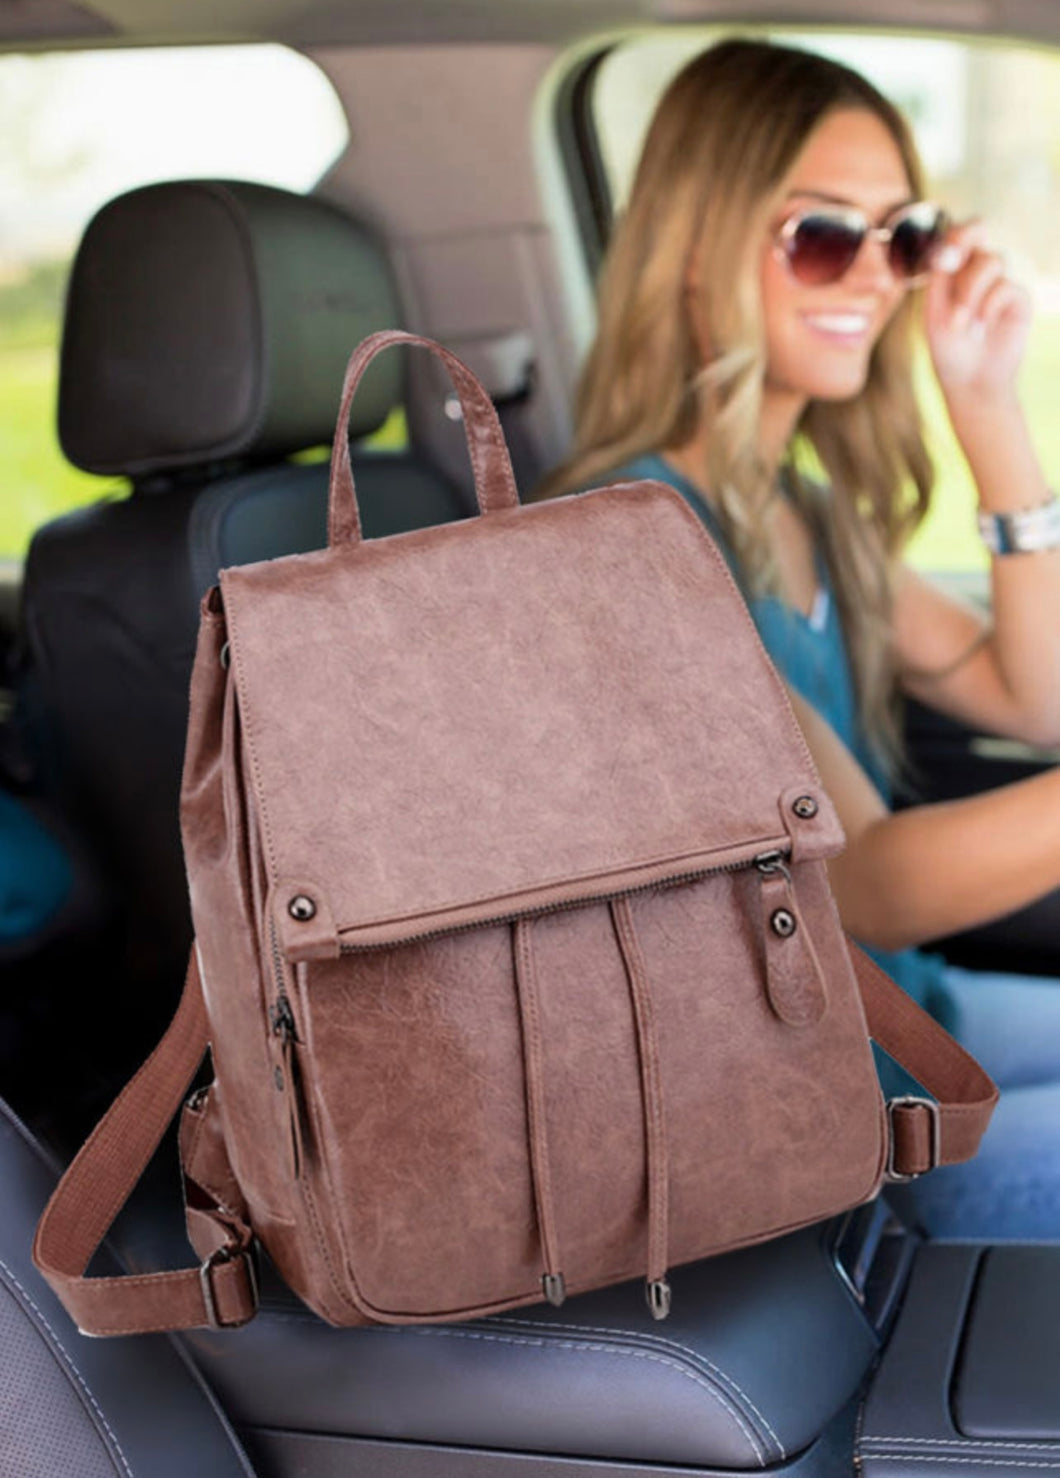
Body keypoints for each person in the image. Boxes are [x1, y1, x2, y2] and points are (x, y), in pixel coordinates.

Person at [538, 37, 1060, 1239]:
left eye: (906, 237)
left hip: (914, 1021)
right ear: (694, 246)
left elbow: (1033, 700)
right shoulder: (626, 539)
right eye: (823, 235)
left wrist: (985, 407)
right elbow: (865, 884)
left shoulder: (802, 506)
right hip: (837, 1124)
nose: (874, 277)